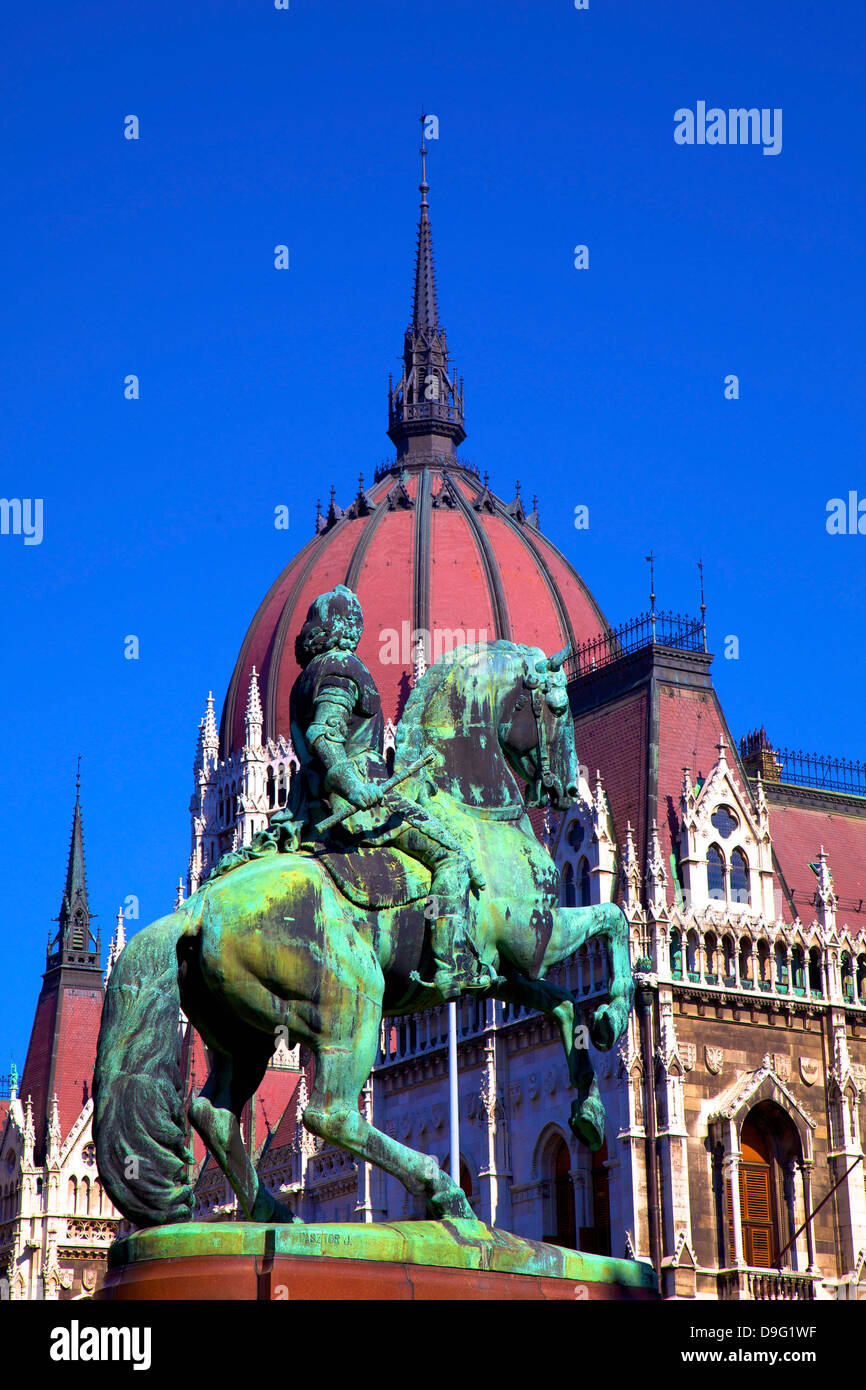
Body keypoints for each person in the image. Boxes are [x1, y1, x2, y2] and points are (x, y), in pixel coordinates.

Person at [284, 584, 491, 1001]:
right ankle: (453, 964)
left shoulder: (304, 680)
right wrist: (355, 785)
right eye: (355, 622)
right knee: (453, 855)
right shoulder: (343, 667)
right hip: (364, 807)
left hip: (308, 805)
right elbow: (323, 734)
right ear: (347, 627)